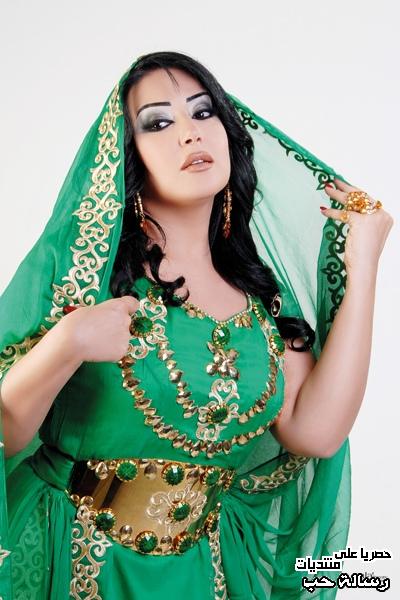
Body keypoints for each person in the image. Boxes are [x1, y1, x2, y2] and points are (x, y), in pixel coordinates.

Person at [0, 51, 393, 600]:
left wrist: (364, 265)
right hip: (70, 557)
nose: (190, 133)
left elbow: (317, 431)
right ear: (126, 154)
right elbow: (7, 430)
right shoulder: (82, 275)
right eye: (158, 123)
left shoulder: (261, 303)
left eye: (204, 112)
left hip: (201, 572)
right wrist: (67, 343)